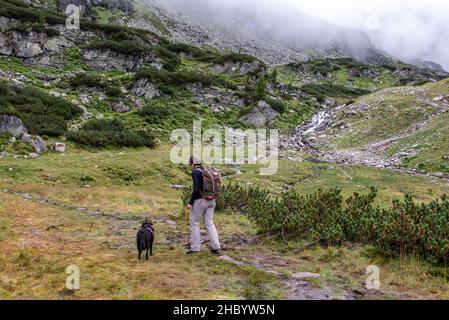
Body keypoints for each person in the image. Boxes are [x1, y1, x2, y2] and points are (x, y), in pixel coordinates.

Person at [186, 156, 221, 255]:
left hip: (200, 200)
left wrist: (190, 203)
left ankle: (195, 248)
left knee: (194, 223)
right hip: (212, 200)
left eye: (190, 164)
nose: (190, 166)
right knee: (210, 223)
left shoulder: (195, 173)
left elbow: (196, 189)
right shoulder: (206, 171)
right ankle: (216, 247)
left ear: (193, 164)